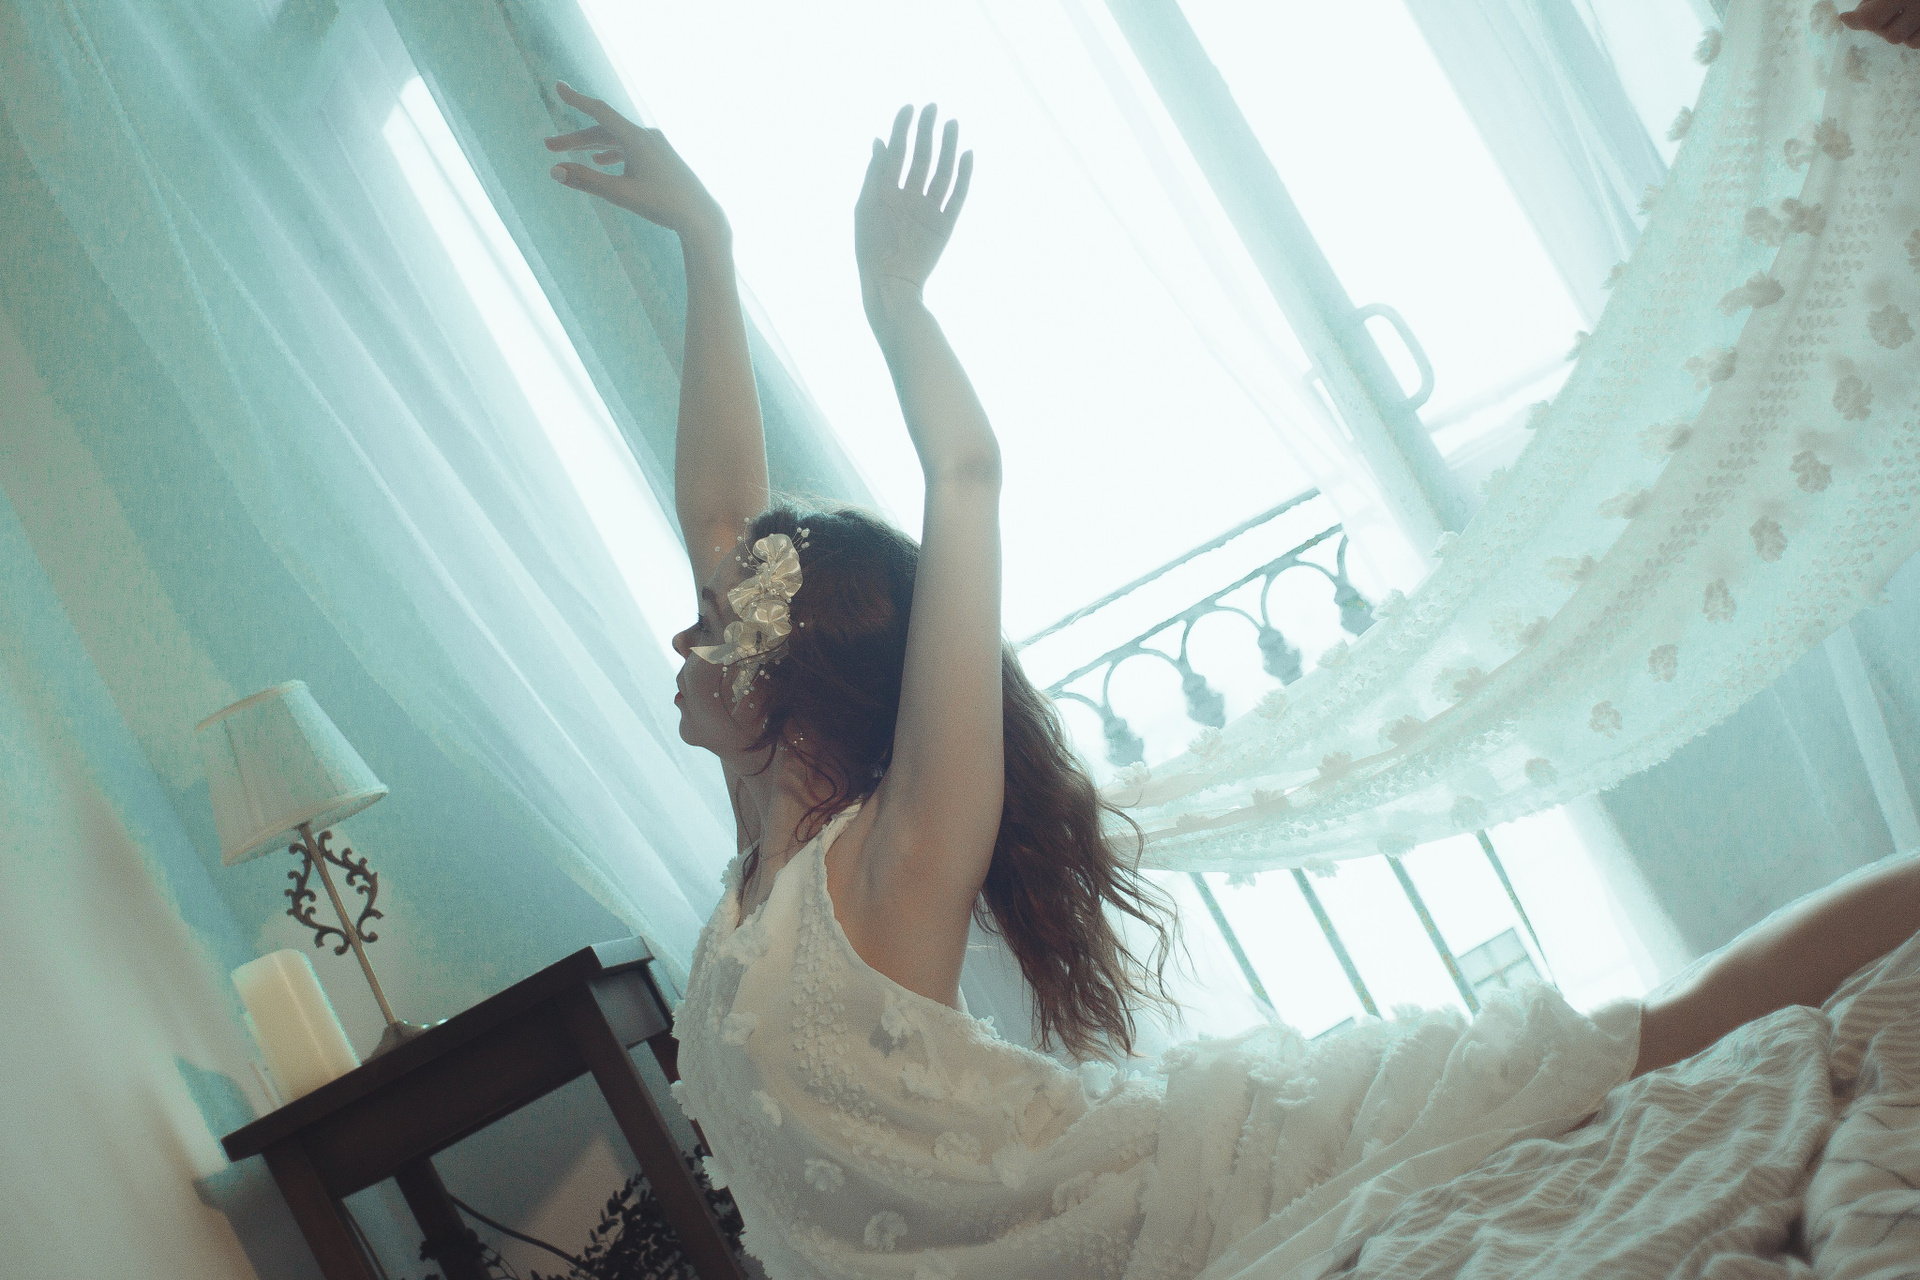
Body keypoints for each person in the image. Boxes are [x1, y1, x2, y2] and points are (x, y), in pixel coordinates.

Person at [545, 73, 1920, 1280]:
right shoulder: (762, 870)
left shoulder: (896, 858)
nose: (683, 641)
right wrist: (708, 245)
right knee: (1627, 1044)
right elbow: (721, 514)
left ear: (787, 686)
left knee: (1649, 1038)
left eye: (712, 628)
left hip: (1173, 1209)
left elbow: (965, 477)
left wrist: (892, 305)